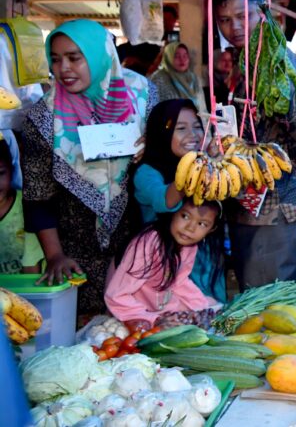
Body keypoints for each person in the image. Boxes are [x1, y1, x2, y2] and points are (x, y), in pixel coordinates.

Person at [22, 19, 155, 314]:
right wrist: (55, 255)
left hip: (138, 245)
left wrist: (154, 143)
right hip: (74, 253)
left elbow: (176, 146)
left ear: (99, 55)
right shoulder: (44, 118)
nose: (63, 69)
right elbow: (37, 197)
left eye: (74, 57)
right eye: (55, 60)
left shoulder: (143, 96)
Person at [214, 0, 296, 289]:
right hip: (251, 201)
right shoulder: (246, 59)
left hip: (276, 204)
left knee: (272, 303)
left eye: (242, 16)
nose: (233, 27)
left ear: (262, 13)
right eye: (224, 20)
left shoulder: (275, 63)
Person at [132, 99, 226, 303]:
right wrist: (196, 168)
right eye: (181, 128)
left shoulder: (205, 163)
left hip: (204, 261)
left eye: (197, 127)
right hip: (163, 267)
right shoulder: (147, 172)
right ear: (162, 134)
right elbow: (165, 200)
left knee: (210, 317)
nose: (193, 135)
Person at [105, 200, 221, 330]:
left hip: (157, 296)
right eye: (185, 216)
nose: (190, 227)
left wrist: (203, 308)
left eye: (202, 224)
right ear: (173, 213)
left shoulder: (190, 246)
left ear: (211, 229)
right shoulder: (150, 240)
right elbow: (117, 294)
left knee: (209, 305)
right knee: (145, 328)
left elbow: (179, 282)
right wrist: (153, 319)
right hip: (128, 299)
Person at [0, 133, 44, 274]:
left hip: (25, 288)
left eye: (0, 173)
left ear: (12, 171)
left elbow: (32, 267)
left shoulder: (27, 204)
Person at [149, 42, 207, 113]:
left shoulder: (193, 78)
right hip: (169, 123)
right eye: (176, 56)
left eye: (185, 56)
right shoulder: (158, 78)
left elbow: (202, 107)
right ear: (168, 57)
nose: (182, 60)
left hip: (194, 122)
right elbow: (152, 108)